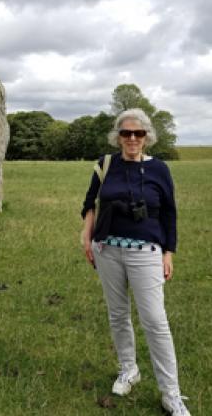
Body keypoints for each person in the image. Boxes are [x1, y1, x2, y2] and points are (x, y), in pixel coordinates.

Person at [81, 109, 191, 415]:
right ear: (118, 136)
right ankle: (129, 370)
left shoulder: (159, 169)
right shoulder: (105, 165)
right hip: (107, 250)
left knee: (155, 321)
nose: (132, 139)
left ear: (147, 137)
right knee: (118, 315)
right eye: (126, 133)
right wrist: (86, 237)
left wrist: (168, 252)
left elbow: (169, 212)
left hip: (146, 252)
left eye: (138, 134)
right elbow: (89, 204)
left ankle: (171, 393)